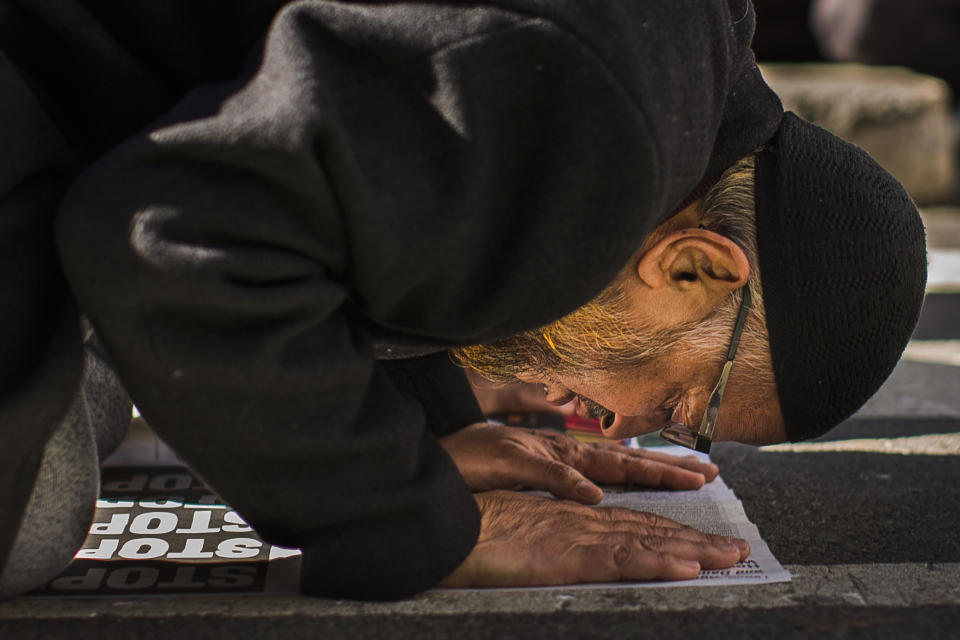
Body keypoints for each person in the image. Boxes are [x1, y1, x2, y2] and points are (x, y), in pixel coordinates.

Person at [1, 0, 924, 600]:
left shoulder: (676, 69)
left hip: (68, 111)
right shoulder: (594, 130)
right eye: (684, 406)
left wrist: (428, 424)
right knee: (32, 527)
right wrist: (406, 518)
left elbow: (352, 174)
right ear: (695, 268)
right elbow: (160, 235)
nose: (614, 428)